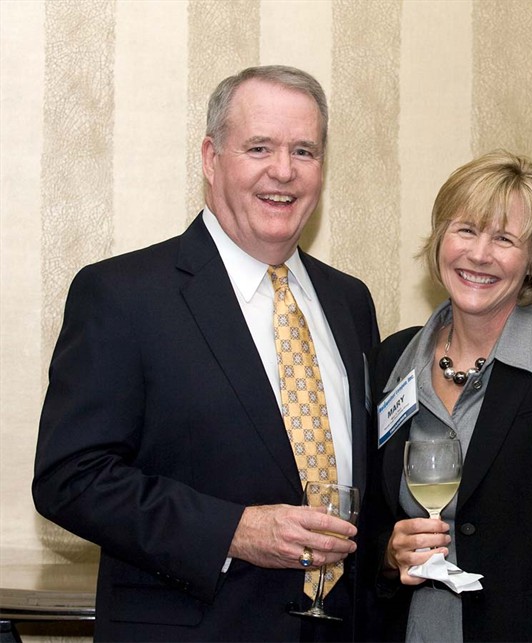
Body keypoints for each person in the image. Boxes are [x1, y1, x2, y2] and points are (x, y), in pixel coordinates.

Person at [32, 65, 379, 641]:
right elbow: (70, 477)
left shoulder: (350, 301)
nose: (284, 171)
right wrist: (232, 531)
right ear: (211, 158)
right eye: (259, 147)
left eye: (304, 151)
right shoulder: (123, 295)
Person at [369, 150, 532, 641]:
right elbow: (369, 521)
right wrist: (388, 556)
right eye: (466, 230)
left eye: (505, 239)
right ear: (440, 241)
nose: (479, 254)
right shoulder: (393, 360)